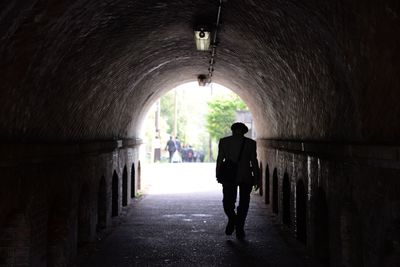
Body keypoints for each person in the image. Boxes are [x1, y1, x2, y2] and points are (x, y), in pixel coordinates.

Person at [216, 122, 260, 240]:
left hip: (229, 175)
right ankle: (239, 227)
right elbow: (254, 162)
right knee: (244, 203)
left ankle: (232, 219)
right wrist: (257, 178)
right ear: (244, 131)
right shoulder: (251, 143)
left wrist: (218, 174)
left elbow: (220, 159)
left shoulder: (224, 142)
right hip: (245, 176)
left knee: (228, 202)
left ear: (233, 130)